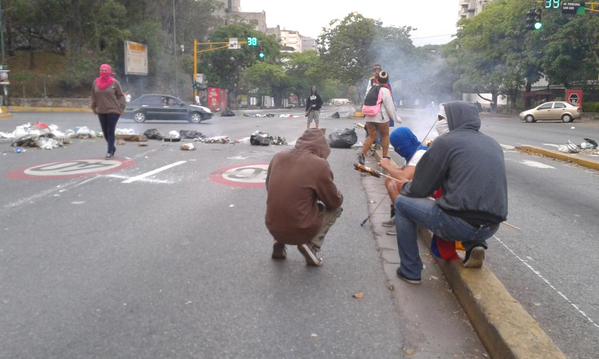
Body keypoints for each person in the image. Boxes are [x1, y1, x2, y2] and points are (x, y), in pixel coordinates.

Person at [386, 101, 508, 284]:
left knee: (403, 204)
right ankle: (473, 244)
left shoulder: (446, 141)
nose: (439, 122)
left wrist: (403, 187)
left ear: (454, 119)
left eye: (443, 118)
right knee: (464, 203)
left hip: (458, 224)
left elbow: (420, 189)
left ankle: (410, 270)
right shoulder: (493, 144)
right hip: (490, 228)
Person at [265, 128, 344, 266]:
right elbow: (334, 202)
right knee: (335, 210)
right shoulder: (319, 164)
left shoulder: (278, 156)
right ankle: (312, 245)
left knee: (285, 199)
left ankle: (279, 242)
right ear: (322, 148)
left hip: (273, 226)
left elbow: (269, 187)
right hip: (300, 228)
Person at [379, 127, 428, 235]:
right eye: (395, 148)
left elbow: (404, 176)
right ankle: (398, 215)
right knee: (390, 179)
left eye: (399, 147)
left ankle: (406, 225)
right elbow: (402, 171)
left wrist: (387, 166)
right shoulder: (413, 152)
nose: (398, 150)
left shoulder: (420, 153)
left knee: (394, 184)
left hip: (429, 194)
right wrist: (390, 166)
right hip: (421, 189)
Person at [359, 71, 400, 164]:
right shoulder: (385, 90)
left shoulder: (371, 89)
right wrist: (395, 118)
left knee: (371, 136)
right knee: (385, 135)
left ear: (377, 79)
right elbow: (390, 106)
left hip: (369, 117)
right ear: (387, 80)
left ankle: (362, 154)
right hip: (381, 117)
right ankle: (385, 157)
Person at [90, 64, 126, 159]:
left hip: (113, 110)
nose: (103, 72)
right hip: (101, 110)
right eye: (102, 70)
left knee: (110, 131)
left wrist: (121, 107)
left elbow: (121, 96)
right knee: (105, 132)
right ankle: (112, 147)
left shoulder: (115, 83)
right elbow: (94, 96)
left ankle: (109, 151)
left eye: (105, 70)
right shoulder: (95, 82)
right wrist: (93, 107)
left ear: (109, 71)